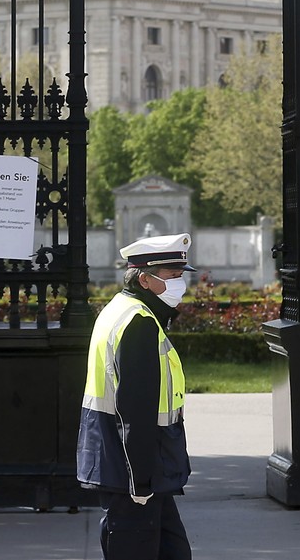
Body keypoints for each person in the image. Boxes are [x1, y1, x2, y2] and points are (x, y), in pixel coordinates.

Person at [77, 232, 195, 560]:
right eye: (172, 277)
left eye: (181, 276)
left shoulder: (121, 310)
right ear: (145, 279)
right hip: (134, 470)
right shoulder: (138, 323)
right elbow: (135, 412)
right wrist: (139, 482)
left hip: (132, 465)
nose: (179, 284)